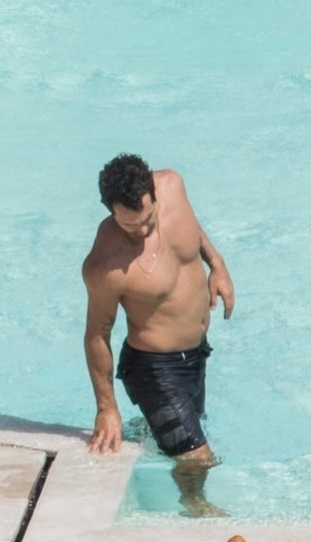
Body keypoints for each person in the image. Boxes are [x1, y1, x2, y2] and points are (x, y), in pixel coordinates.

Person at [82, 153, 234, 516]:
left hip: (196, 356)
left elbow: (193, 231)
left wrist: (217, 264)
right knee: (198, 458)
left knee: (186, 434)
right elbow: (97, 334)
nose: (142, 230)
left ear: (153, 192)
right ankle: (195, 507)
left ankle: (149, 432)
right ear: (109, 211)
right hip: (154, 368)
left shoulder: (172, 186)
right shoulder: (105, 265)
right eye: (129, 225)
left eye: (148, 219)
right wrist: (106, 408)